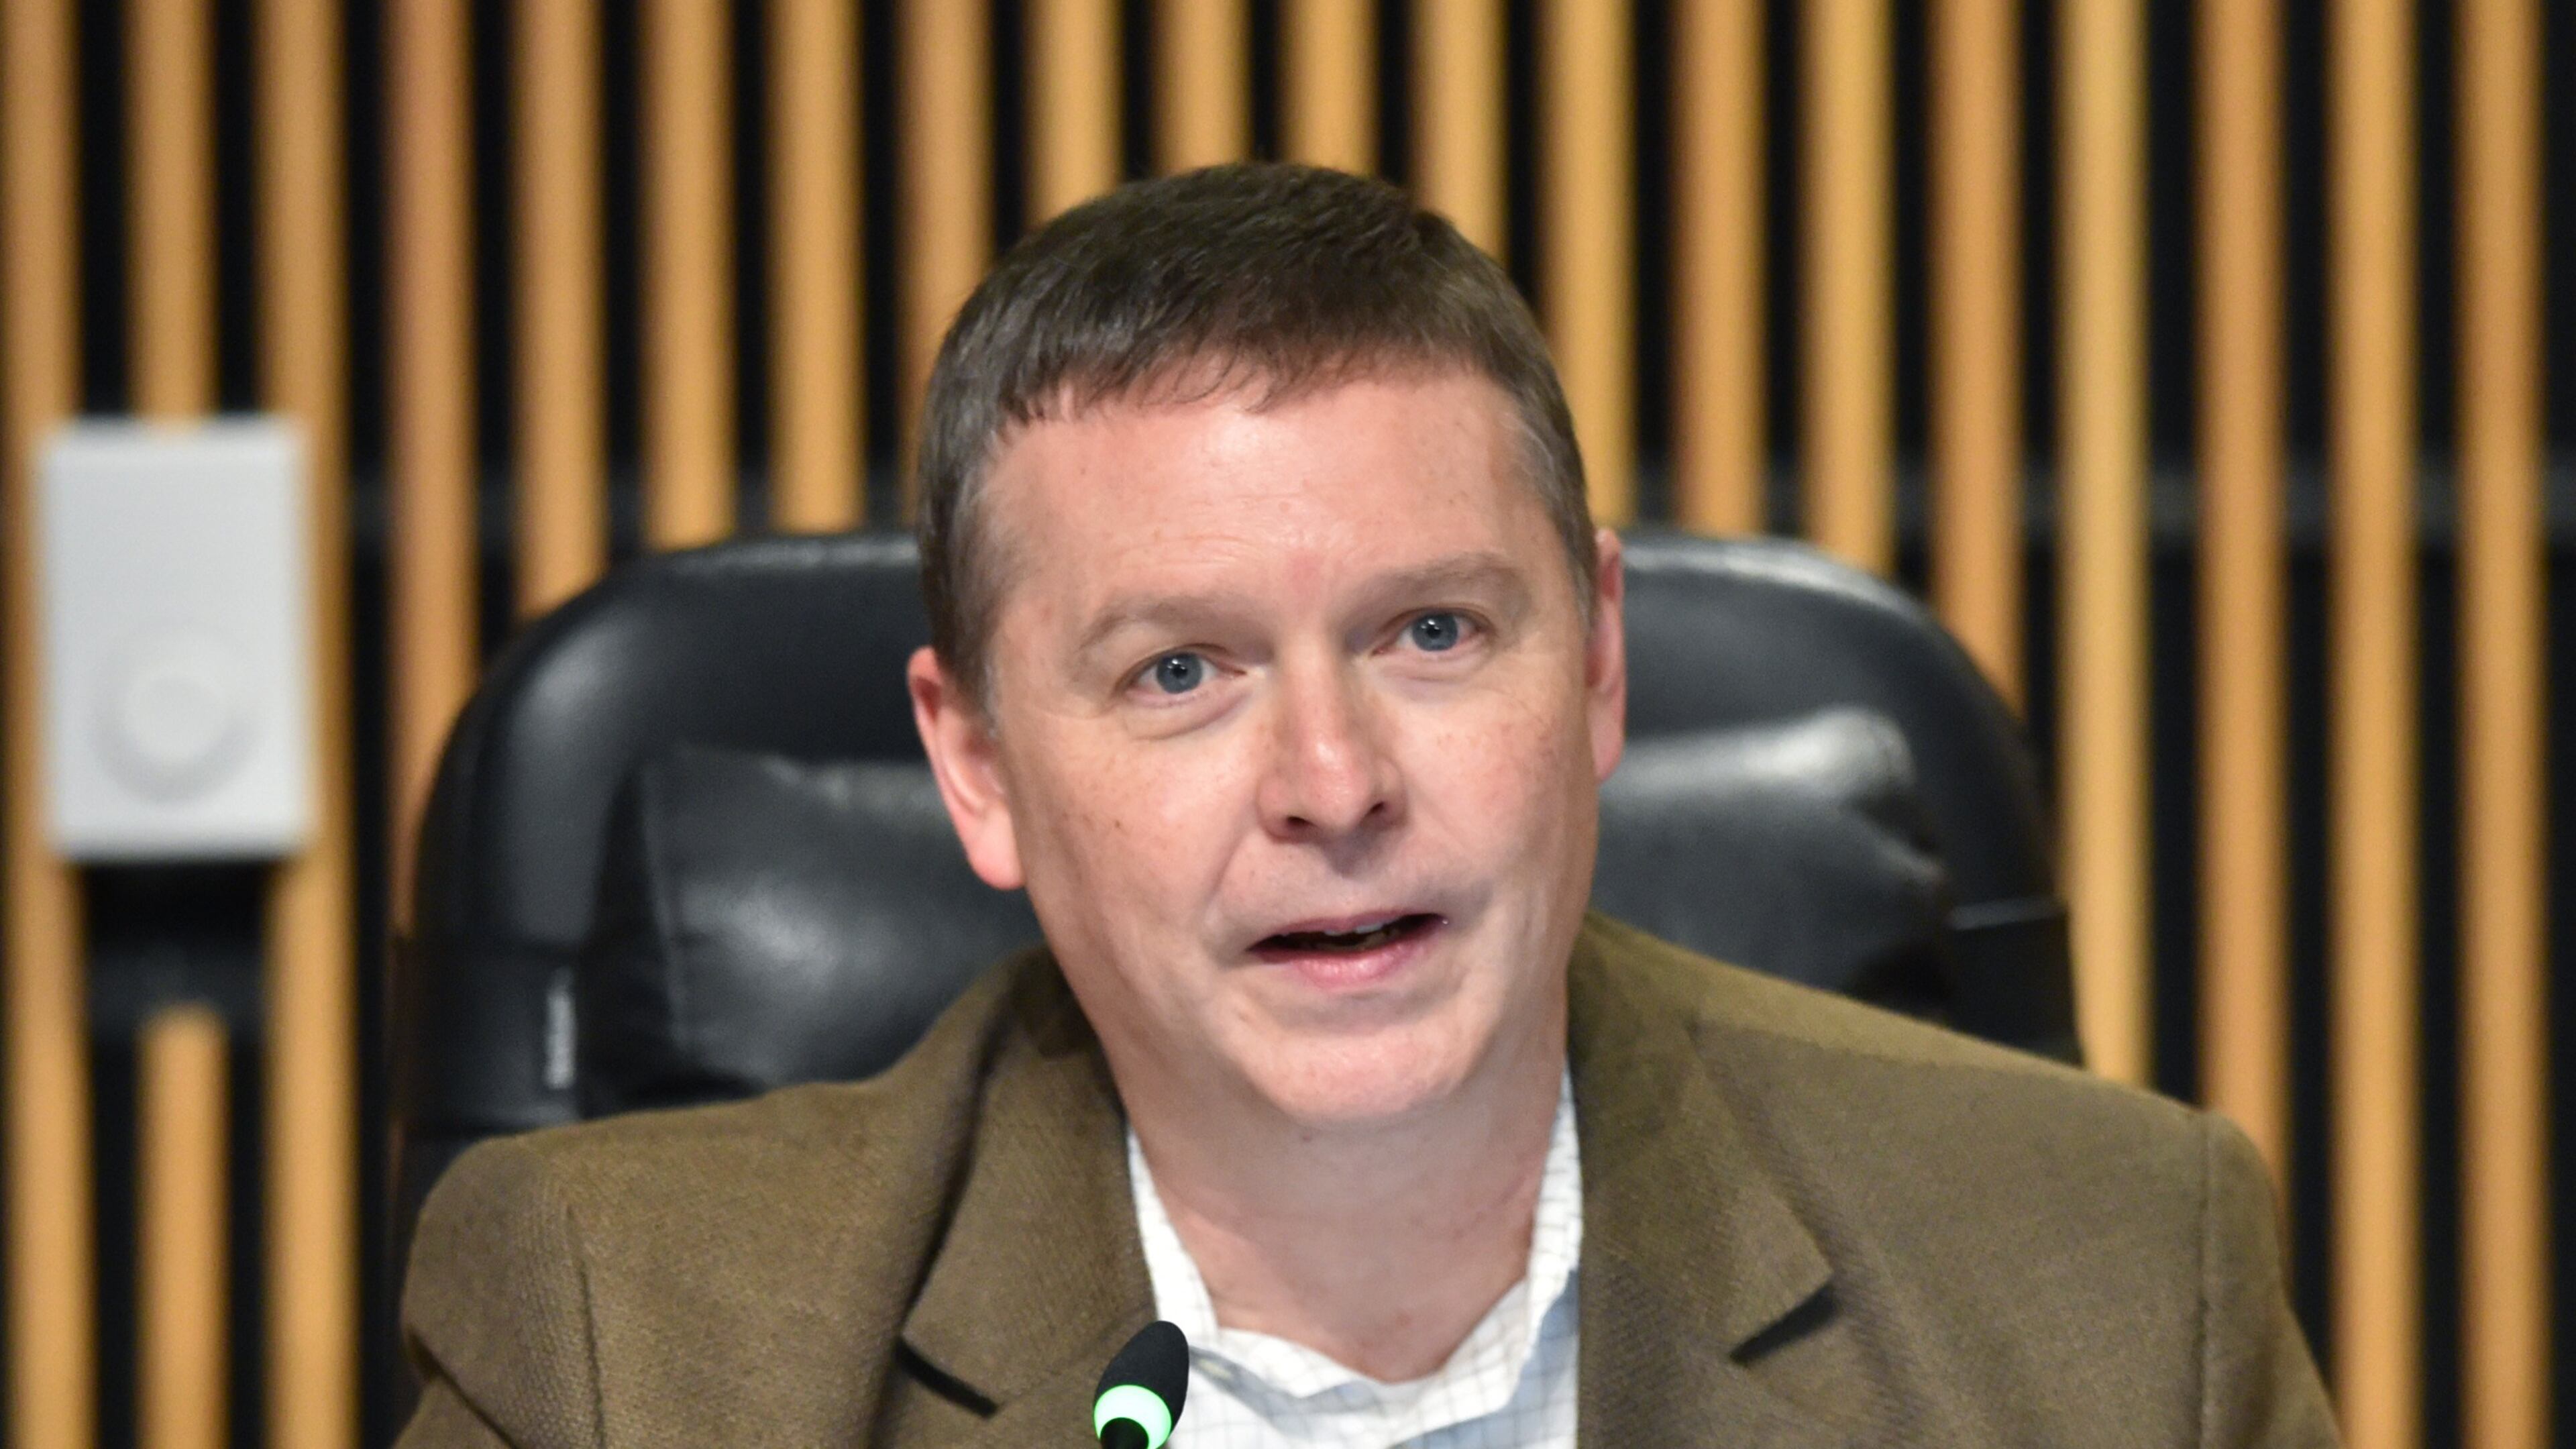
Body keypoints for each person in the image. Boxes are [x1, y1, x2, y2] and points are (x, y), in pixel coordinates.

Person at [396, 164, 2337, 1448]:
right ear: (976, 766)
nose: (1334, 787)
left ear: (1596, 666)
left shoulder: (2109, 1285)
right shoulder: (622, 1346)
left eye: (1430, 633)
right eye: (1182, 672)